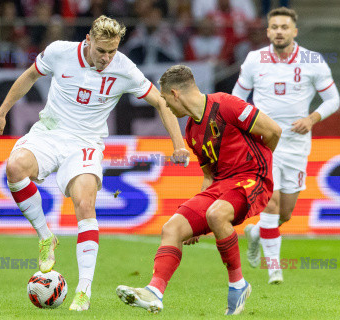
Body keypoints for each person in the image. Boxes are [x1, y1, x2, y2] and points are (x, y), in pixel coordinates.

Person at [0, 16, 189, 311]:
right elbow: (29, 76)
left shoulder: (124, 68)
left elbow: (161, 101)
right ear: (88, 40)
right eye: (101, 51)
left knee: (84, 204)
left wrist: (179, 144)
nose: (107, 58)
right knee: (15, 167)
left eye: (112, 51)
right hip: (49, 132)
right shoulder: (60, 52)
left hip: (85, 143)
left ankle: (83, 291)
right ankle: (46, 237)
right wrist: (2, 113)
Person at [116, 65, 281, 315]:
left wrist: (259, 163)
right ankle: (155, 291)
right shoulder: (192, 132)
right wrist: (196, 216)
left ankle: (238, 284)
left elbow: (273, 131)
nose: (167, 108)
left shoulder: (226, 104)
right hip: (222, 185)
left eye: (166, 101)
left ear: (175, 94)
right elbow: (208, 176)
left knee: (216, 214)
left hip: (252, 177)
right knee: (172, 228)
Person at [232, 7, 340, 284]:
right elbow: (237, 97)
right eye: (274, 27)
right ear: (268, 31)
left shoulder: (312, 61)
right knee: (271, 203)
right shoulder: (255, 60)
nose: (279, 31)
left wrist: (312, 118)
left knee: (285, 212)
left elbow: (333, 100)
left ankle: (256, 233)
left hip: (296, 142)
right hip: (264, 141)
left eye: (284, 27)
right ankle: (274, 270)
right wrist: (247, 126)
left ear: (294, 31)